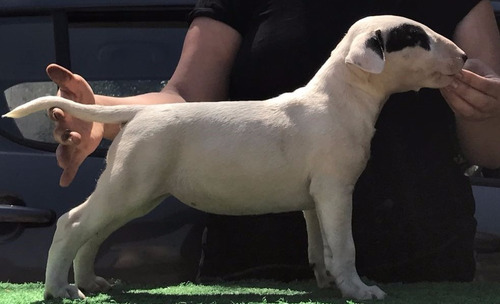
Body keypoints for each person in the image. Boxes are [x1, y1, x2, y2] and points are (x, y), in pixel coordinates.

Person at [47, 0, 500, 283]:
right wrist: (100, 113)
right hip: (250, 264)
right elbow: (182, 99)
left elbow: (491, 148)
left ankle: (332, 271)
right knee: (120, 204)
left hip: (426, 261)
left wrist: (490, 104)